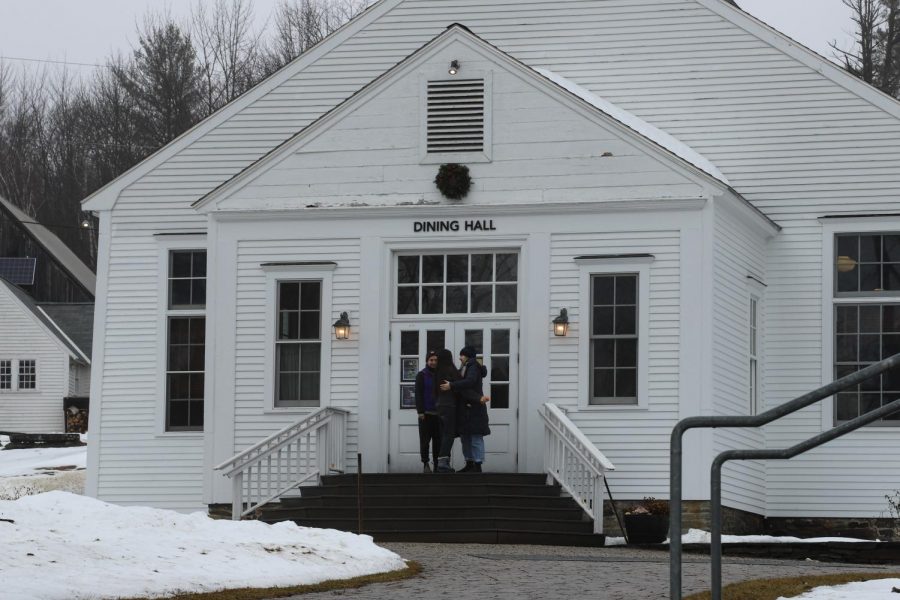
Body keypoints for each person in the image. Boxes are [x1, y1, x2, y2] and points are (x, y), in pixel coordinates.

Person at [440, 346, 490, 473]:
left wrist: (451, 385)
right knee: (466, 437)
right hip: (465, 409)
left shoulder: (473, 367)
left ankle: (477, 465)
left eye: (462, 355)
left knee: (475, 437)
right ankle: (470, 463)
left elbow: (469, 382)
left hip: (474, 409)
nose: (459, 357)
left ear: (467, 356)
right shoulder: (464, 367)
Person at [433, 349, 461, 473]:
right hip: (449, 405)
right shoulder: (451, 370)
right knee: (448, 434)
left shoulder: (437, 372)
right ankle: (443, 463)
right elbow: (460, 386)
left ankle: (443, 462)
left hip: (439, 405)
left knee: (443, 434)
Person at [414, 350, 441, 473]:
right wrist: (420, 411)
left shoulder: (441, 374)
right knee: (425, 441)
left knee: (438, 441)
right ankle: (425, 463)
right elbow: (418, 394)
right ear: (427, 361)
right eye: (431, 360)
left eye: (435, 360)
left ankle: (437, 464)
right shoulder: (421, 375)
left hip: (439, 414)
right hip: (425, 414)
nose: (433, 362)